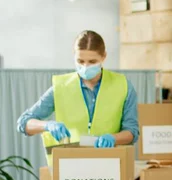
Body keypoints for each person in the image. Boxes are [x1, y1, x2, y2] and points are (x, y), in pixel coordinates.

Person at [17, 30, 139, 165]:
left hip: (110, 164)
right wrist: (48, 125)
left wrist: (113, 138)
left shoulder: (123, 86)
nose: (85, 67)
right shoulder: (61, 86)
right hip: (69, 166)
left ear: (104, 57)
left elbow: (132, 131)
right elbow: (24, 122)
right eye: (80, 61)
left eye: (92, 61)